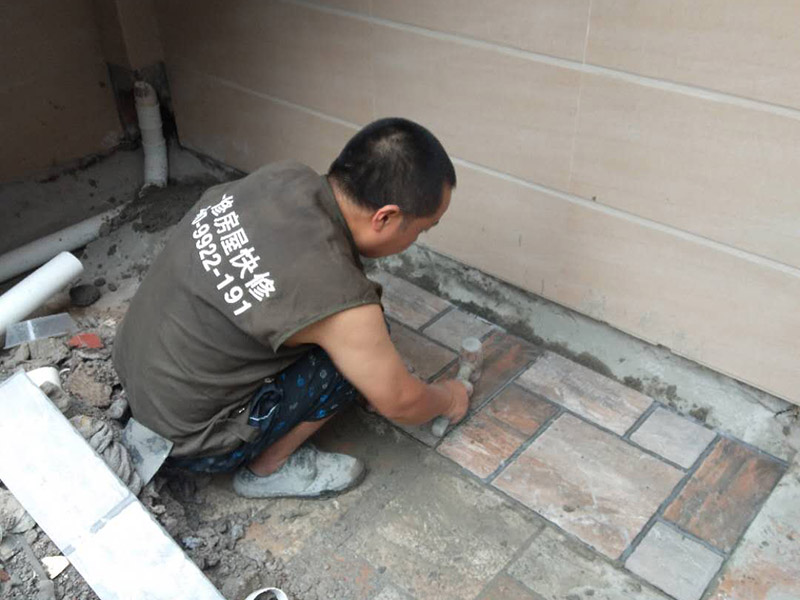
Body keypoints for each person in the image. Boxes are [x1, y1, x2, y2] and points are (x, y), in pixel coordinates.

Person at [113, 117, 470, 499]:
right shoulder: (337, 293)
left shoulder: (283, 176)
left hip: (138, 375)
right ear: (385, 217)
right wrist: (449, 398)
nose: (417, 238)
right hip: (189, 440)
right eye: (422, 229)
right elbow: (400, 402)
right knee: (349, 361)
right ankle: (267, 469)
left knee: (351, 337)